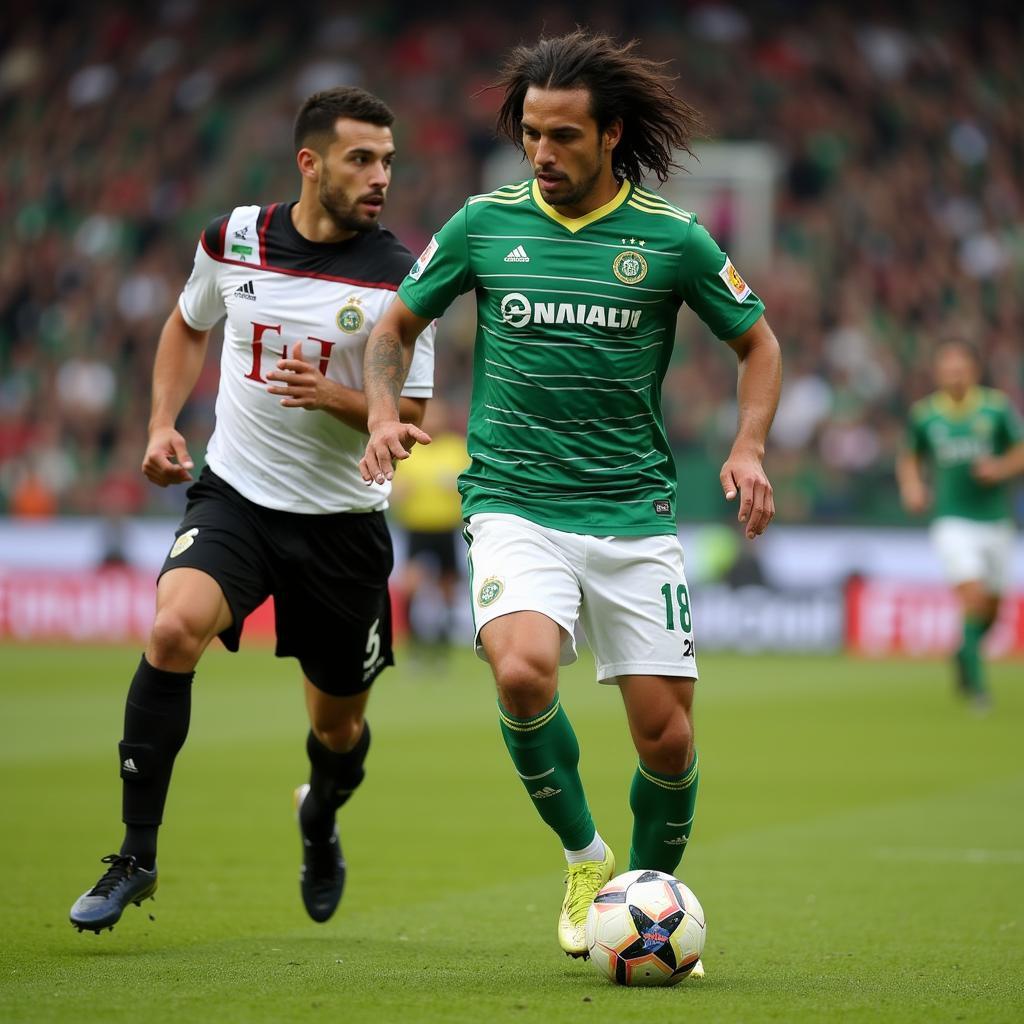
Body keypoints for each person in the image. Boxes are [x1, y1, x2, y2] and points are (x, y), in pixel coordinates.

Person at [360, 30, 781, 975]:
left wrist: (749, 444)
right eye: (530, 135)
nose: (542, 154)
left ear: (611, 135)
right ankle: (589, 863)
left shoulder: (672, 240)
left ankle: (646, 907)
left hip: (633, 512)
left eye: (561, 137)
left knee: (666, 741)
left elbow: (759, 344)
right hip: (515, 498)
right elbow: (395, 325)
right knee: (520, 672)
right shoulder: (481, 224)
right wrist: (384, 411)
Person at [69, 86, 436, 933]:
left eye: (387, 160)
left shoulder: (402, 279)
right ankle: (136, 856)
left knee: (338, 730)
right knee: (170, 630)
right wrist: (161, 422)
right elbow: (186, 322)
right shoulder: (233, 238)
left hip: (342, 525)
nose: (380, 176)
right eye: (361, 159)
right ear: (309, 163)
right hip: (236, 496)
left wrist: (338, 396)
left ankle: (319, 819)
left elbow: (412, 417)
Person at [897, 340, 1024, 709]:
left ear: (974, 370)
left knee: (991, 612)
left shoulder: (996, 409)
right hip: (952, 521)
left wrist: (1000, 468)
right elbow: (909, 456)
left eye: (960, 367)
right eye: (947, 367)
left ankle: (962, 652)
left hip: (996, 520)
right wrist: (913, 486)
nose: (954, 373)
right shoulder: (925, 414)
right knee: (972, 597)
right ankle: (978, 690)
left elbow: (1020, 451)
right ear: (938, 373)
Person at [389, 398, 469, 655]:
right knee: (411, 582)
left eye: (438, 415)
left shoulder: (456, 448)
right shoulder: (408, 448)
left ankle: (445, 635)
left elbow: (469, 485)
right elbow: (394, 489)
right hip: (417, 527)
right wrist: (400, 491)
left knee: (448, 584)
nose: (434, 420)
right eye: (430, 415)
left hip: (446, 527)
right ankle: (412, 636)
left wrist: (456, 488)